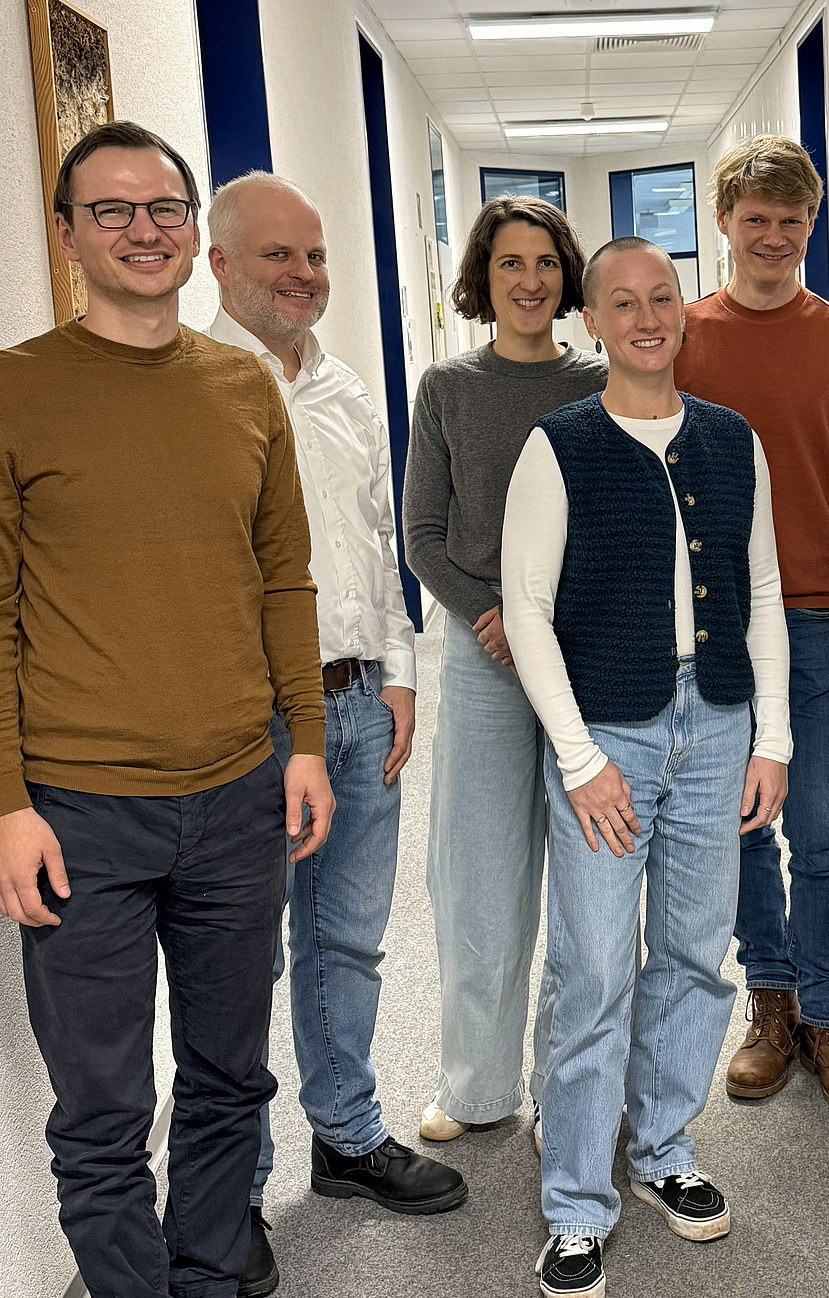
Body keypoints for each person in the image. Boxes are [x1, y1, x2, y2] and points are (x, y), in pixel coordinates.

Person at [0, 122, 334, 1298]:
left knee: (229, 1076)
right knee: (101, 1104)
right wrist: (8, 805)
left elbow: (282, 578)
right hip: (81, 810)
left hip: (240, 793)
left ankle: (202, 1270)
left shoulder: (243, 383)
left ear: (196, 231)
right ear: (68, 232)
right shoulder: (16, 389)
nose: (144, 230)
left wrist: (303, 741)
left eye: (165, 208)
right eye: (113, 210)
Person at [502, 236, 790, 1298]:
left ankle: (664, 1145)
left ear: (684, 309)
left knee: (690, 949)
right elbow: (525, 610)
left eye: (662, 295)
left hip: (714, 723)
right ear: (591, 320)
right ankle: (577, 1200)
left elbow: (759, 589)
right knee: (592, 968)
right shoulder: (560, 443)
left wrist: (772, 740)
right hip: (606, 734)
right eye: (621, 301)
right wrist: (580, 761)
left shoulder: (729, 438)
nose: (646, 315)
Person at [206, 171, 465, 1298]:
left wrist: (401, 678)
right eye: (278, 256)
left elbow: (376, 548)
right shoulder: (197, 388)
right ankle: (238, 1183)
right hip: (248, 721)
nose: (303, 275)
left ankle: (346, 1135)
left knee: (349, 939)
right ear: (219, 263)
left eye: (314, 256)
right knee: (238, 958)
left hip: (359, 703)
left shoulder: (351, 389)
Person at [673, 135, 829, 1115]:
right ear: (723, 223)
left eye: (792, 219)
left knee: (823, 824)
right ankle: (772, 1001)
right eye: (755, 218)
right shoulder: (682, 335)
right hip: (715, 623)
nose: (774, 236)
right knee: (741, 824)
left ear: (811, 222)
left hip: (820, 617)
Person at [403, 197, 605, 1150]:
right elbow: (423, 536)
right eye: (509, 264)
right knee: (479, 879)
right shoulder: (446, 388)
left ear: (568, 276)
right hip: (485, 660)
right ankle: (478, 1086)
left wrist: (552, 621)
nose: (529, 281)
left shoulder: (603, 380)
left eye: (546, 262)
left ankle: (571, 1089)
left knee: (589, 884)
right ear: (481, 280)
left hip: (589, 659)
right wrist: (493, 616)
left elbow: (616, 527)